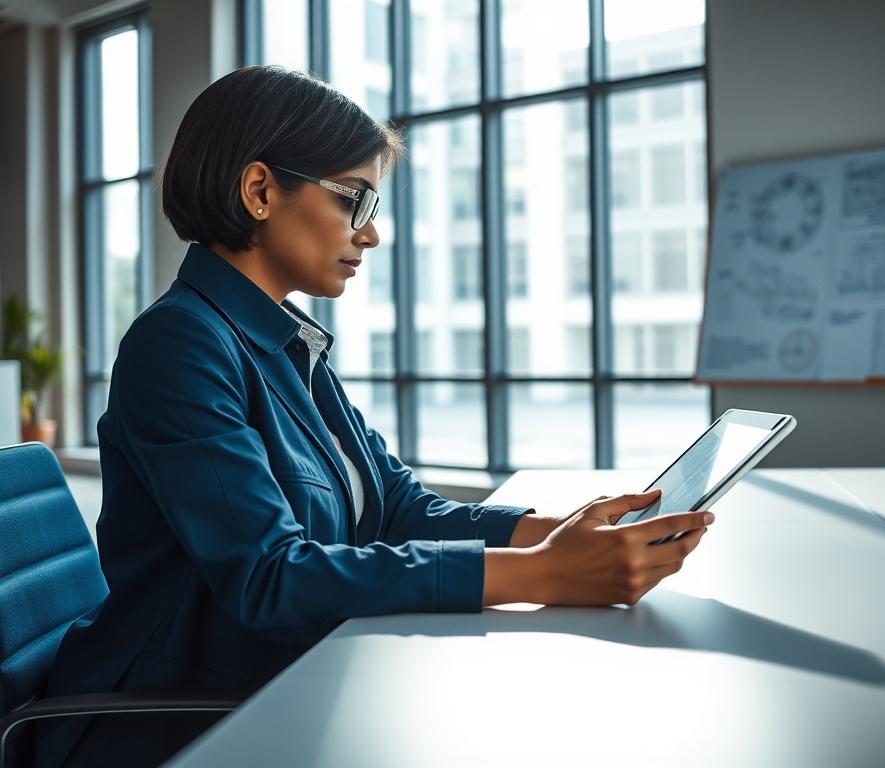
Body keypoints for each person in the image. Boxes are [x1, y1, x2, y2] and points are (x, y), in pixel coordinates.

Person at [34, 66, 712, 767]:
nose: (373, 233)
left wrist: (554, 535)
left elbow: (392, 506)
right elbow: (271, 578)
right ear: (260, 191)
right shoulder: (178, 345)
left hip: (288, 681)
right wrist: (540, 575)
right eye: (355, 201)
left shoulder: (288, 342)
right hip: (172, 717)